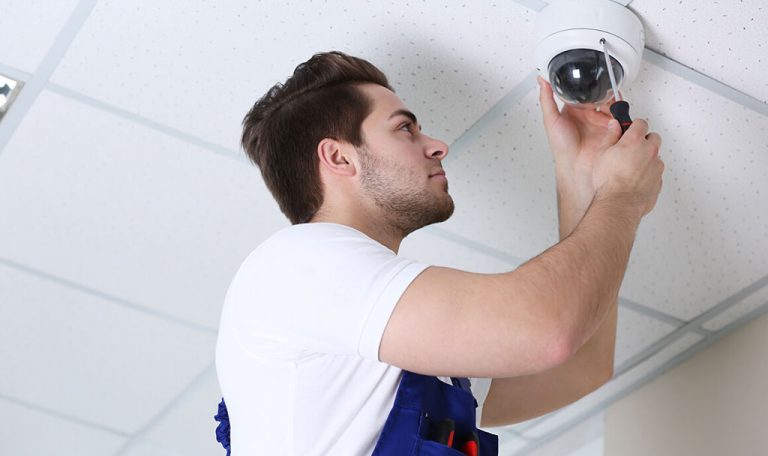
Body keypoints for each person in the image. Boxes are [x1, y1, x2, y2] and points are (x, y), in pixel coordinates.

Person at [214, 51, 664, 455]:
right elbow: (549, 333)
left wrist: (581, 176)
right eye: (404, 128)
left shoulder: (388, 347)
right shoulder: (298, 263)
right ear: (339, 158)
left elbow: (579, 366)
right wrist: (621, 198)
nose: (438, 145)